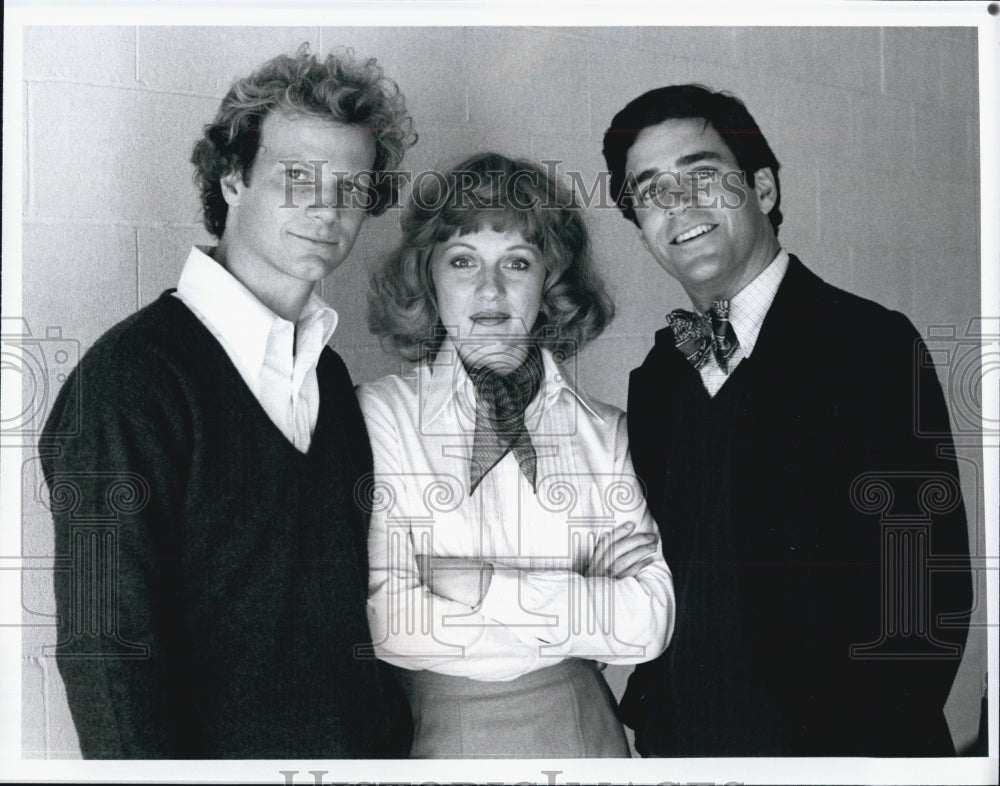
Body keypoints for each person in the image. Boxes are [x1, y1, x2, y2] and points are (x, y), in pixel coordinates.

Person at [38, 46, 416, 758]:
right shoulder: (130, 379)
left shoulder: (329, 375)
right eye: (296, 177)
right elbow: (105, 655)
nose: (325, 209)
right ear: (233, 178)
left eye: (350, 186)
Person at [601, 84, 972, 756]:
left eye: (702, 175)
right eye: (651, 190)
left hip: (839, 754)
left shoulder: (870, 344)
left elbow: (924, 597)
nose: (677, 205)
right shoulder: (657, 376)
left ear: (764, 189)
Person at [361, 152, 675, 758]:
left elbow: (649, 622)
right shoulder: (380, 417)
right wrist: (580, 592)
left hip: (585, 731)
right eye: (462, 261)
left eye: (517, 262)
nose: (489, 289)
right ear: (428, 278)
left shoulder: (604, 431)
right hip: (433, 737)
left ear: (550, 281)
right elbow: (388, 622)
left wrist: (481, 588)